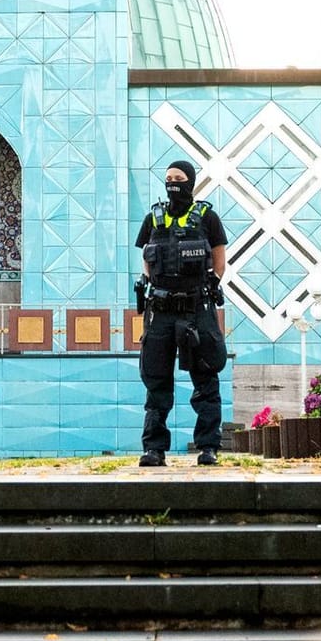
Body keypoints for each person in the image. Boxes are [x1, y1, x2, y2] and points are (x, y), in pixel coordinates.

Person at [133, 159, 228, 467]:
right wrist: (150, 283)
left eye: (179, 178)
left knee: (205, 377)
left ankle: (208, 446)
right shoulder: (153, 217)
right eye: (168, 178)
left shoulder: (207, 217)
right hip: (160, 310)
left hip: (195, 307)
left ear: (190, 182)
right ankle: (154, 449)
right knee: (157, 380)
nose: (173, 183)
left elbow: (219, 259)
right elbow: (146, 258)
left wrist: (211, 283)